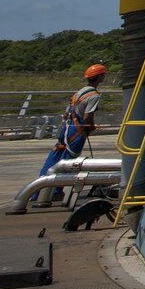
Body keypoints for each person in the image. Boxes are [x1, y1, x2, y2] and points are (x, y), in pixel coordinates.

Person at [36, 63, 106, 204]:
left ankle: (38, 190)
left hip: (67, 129)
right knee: (68, 162)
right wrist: (90, 127)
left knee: (55, 156)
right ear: (99, 77)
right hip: (77, 131)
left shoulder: (78, 93)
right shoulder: (94, 95)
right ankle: (55, 192)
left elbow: (66, 114)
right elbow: (87, 116)